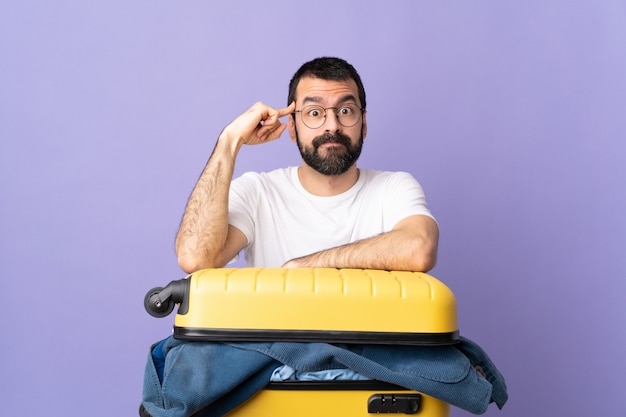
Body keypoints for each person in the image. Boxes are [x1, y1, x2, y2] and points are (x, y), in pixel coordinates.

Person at [174, 57, 438, 273]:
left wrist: (305, 266)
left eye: (345, 111)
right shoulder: (258, 192)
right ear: (292, 127)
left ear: (364, 123)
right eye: (314, 113)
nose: (332, 125)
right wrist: (229, 141)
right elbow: (195, 258)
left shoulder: (394, 188)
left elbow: (419, 248)